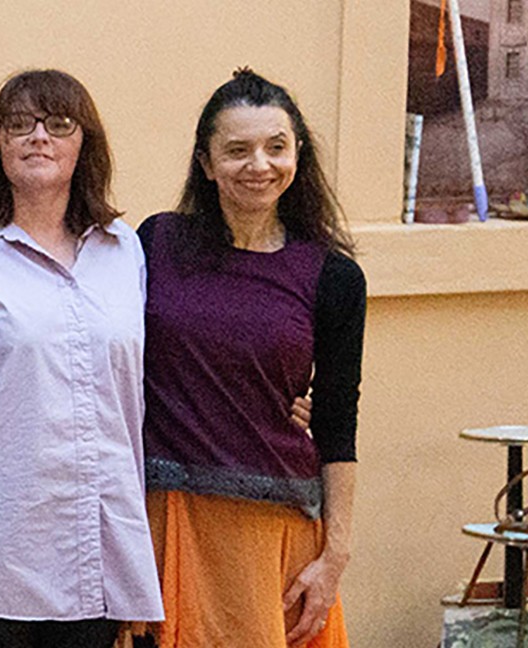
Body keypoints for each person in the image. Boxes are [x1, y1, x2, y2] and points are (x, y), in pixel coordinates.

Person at [0, 69, 162, 648]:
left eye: (58, 124)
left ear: (86, 143)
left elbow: (150, 371)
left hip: (95, 540)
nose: (37, 137)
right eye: (18, 124)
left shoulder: (124, 249)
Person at [136, 69, 362, 648]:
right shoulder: (155, 245)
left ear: (298, 155)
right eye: (237, 150)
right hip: (165, 518)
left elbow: (338, 423)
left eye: (276, 147)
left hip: (274, 536)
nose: (258, 164)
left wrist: (334, 557)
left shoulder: (332, 276)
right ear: (207, 163)